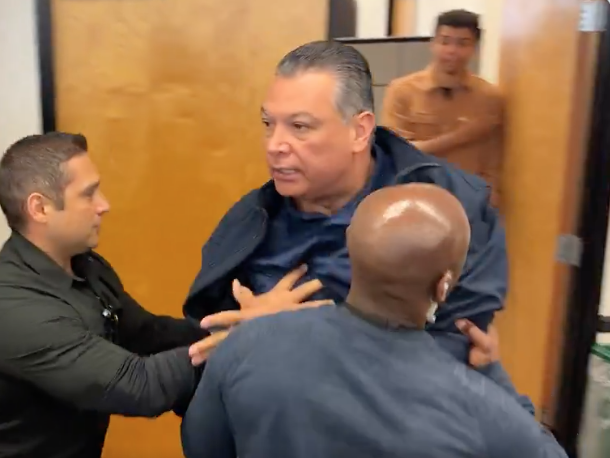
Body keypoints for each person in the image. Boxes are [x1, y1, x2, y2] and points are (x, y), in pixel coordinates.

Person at [182, 40, 525, 405]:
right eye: (269, 123)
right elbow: (211, 349)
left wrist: (278, 335)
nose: (274, 145)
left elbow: (450, 355)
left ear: (360, 131)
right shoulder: (252, 222)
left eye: (300, 126)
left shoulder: (452, 210)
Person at [0, 132, 321, 458]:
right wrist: (251, 333)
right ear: (40, 208)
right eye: (88, 194)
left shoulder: (85, 267)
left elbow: (147, 334)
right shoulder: (17, 313)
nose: (104, 204)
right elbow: (141, 386)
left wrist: (238, 325)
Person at [181, 184, 567, 458]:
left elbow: (200, 444)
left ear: (352, 254)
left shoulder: (246, 344)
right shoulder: (480, 410)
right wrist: (494, 376)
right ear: (444, 284)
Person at [381, 10, 504, 206]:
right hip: (416, 200)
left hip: (469, 203)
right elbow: (397, 153)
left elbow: (494, 161)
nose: (452, 51)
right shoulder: (402, 91)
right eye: (445, 41)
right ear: (433, 43)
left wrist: (489, 199)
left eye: (462, 43)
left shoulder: (489, 97)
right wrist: (462, 136)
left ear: (475, 47)